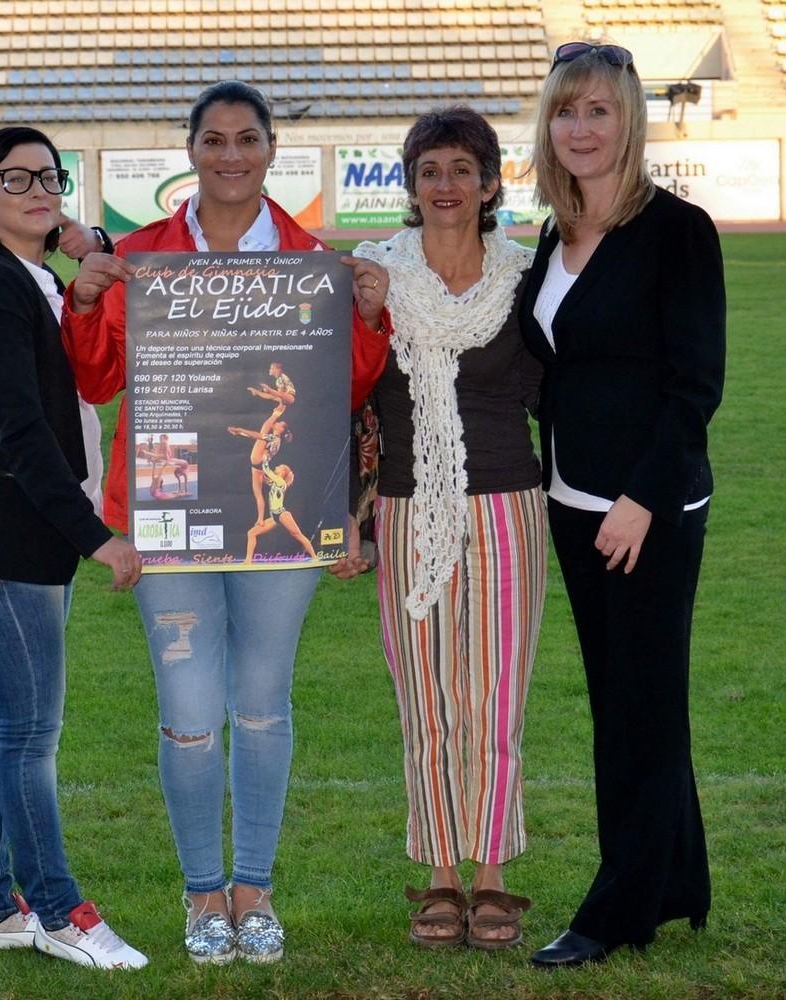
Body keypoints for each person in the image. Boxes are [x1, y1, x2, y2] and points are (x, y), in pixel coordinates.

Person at [60, 81, 386, 965]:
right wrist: (85, 303)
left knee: (263, 708)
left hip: (277, 522)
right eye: (213, 140)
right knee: (191, 711)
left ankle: (255, 888)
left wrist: (365, 318)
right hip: (169, 520)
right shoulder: (141, 257)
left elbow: (343, 389)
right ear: (191, 151)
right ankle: (203, 891)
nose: (231, 156)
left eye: (247, 139)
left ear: (272, 149)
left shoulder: (312, 258)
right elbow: (93, 383)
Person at [519, 43, 726, 968]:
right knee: (629, 700)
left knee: (638, 708)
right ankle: (678, 878)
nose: (582, 128)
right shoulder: (551, 233)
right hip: (570, 497)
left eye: (599, 111)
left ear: (629, 121)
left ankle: (617, 910)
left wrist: (643, 497)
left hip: (647, 508)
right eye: (567, 112)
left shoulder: (679, 230)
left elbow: (694, 387)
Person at [0, 126, 147, 970]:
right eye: (12, 179)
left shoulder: (32, 279)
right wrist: (98, 539)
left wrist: (88, 243)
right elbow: (21, 435)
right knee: (26, 737)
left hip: (12, 544)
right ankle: (58, 912)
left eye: (48, 178)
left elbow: (126, 284)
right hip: (8, 543)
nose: (36, 189)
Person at [344, 106, 547, 950]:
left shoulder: (531, 275)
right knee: (424, 697)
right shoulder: (373, 274)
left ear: (492, 181)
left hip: (508, 503)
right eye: (430, 170)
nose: (446, 186)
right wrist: (346, 522)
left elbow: (566, 392)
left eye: (463, 169)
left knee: (492, 696)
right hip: (402, 504)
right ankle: (436, 869)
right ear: (410, 183)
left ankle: (492, 872)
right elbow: (349, 402)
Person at [227, 403, 293, 525]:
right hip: (258, 466)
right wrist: (240, 432)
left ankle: (276, 413)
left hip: (258, 461)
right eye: (278, 422)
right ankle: (260, 519)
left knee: (263, 430)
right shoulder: (275, 439)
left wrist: (240, 430)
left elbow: (257, 435)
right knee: (257, 493)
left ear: (281, 430)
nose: (277, 424)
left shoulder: (275, 438)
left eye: (279, 423)